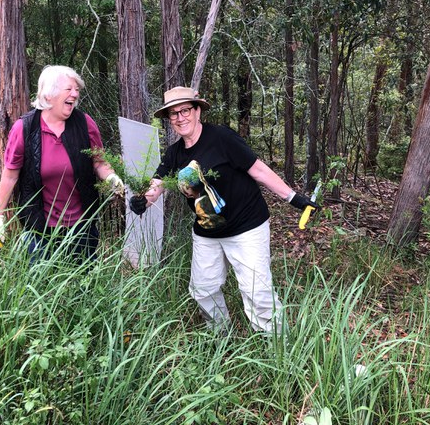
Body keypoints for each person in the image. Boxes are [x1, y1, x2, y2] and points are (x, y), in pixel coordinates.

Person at [129, 86, 319, 333]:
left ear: (198, 111)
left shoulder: (221, 138)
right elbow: (159, 182)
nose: (180, 118)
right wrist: (144, 199)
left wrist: (293, 198)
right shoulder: (174, 153)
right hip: (207, 232)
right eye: (173, 114)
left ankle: (275, 345)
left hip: (246, 226)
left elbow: (258, 169)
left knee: (256, 291)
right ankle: (220, 335)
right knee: (202, 289)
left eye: (185, 110)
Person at [0, 65, 124, 261]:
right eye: (69, 89)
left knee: (84, 287)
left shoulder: (85, 124)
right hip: (39, 231)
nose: (75, 94)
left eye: (77, 90)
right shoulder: (24, 128)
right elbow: (9, 177)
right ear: (49, 94)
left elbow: (99, 162)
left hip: (81, 228)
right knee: (41, 287)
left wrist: (111, 176)